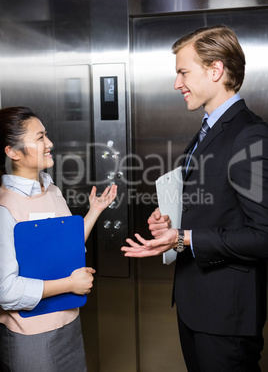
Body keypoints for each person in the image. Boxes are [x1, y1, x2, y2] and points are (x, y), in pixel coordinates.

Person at [121, 25, 268, 371]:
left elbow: (263, 235)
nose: (177, 84)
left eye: (183, 72)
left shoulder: (248, 133)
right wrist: (170, 219)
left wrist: (184, 238)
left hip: (225, 317)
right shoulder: (209, 130)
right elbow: (219, 205)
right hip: (197, 306)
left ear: (215, 70)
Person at [0, 106, 117, 372]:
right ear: (13, 152)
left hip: (69, 325)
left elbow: (65, 249)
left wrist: (95, 211)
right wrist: (69, 284)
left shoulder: (51, 189)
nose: (49, 143)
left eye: (46, 135)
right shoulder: (5, 207)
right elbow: (5, 291)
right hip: (31, 336)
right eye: (40, 138)